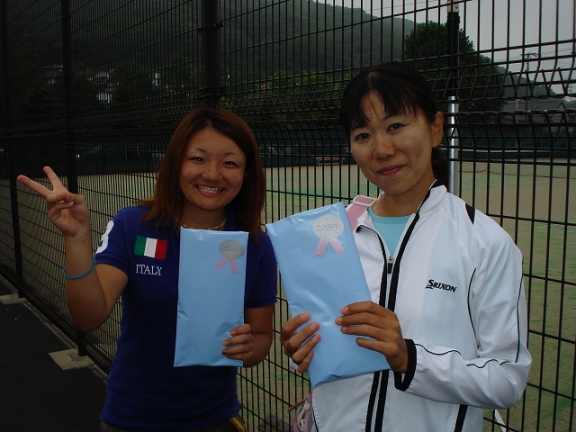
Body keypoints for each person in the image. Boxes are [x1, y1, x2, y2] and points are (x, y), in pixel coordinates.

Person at [279, 62, 531, 431]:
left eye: (396, 126)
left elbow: (507, 380)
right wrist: (301, 347)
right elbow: (318, 349)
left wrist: (408, 358)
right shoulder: (334, 237)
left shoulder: (485, 244)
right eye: (363, 134)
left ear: (436, 128)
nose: (381, 149)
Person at [17, 108, 278, 432]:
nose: (212, 174)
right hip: (132, 418)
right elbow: (88, 317)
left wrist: (249, 349)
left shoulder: (256, 246)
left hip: (215, 417)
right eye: (198, 159)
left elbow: (262, 336)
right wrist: (77, 239)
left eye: (230, 163)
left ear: (247, 173)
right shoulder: (134, 225)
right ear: (175, 163)